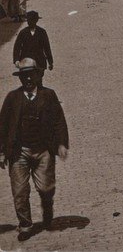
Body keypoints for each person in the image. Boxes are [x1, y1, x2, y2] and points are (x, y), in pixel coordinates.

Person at [0, 58, 69, 240]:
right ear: (20, 78)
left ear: (38, 75)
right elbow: (3, 126)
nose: (28, 79)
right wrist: (1, 152)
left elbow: (59, 121)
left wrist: (61, 143)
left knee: (46, 187)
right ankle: (25, 225)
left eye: (31, 75)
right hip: (19, 152)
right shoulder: (12, 99)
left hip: (43, 150)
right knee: (19, 191)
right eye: (24, 76)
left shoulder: (48, 95)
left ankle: (47, 208)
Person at [13, 12, 53, 81]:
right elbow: (17, 47)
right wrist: (16, 60)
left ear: (36, 20)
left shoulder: (42, 32)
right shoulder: (23, 32)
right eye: (28, 20)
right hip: (26, 60)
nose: (29, 22)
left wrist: (50, 62)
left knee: (38, 80)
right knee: (27, 81)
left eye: (32, 20)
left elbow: (47, 47)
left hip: (39, 61)